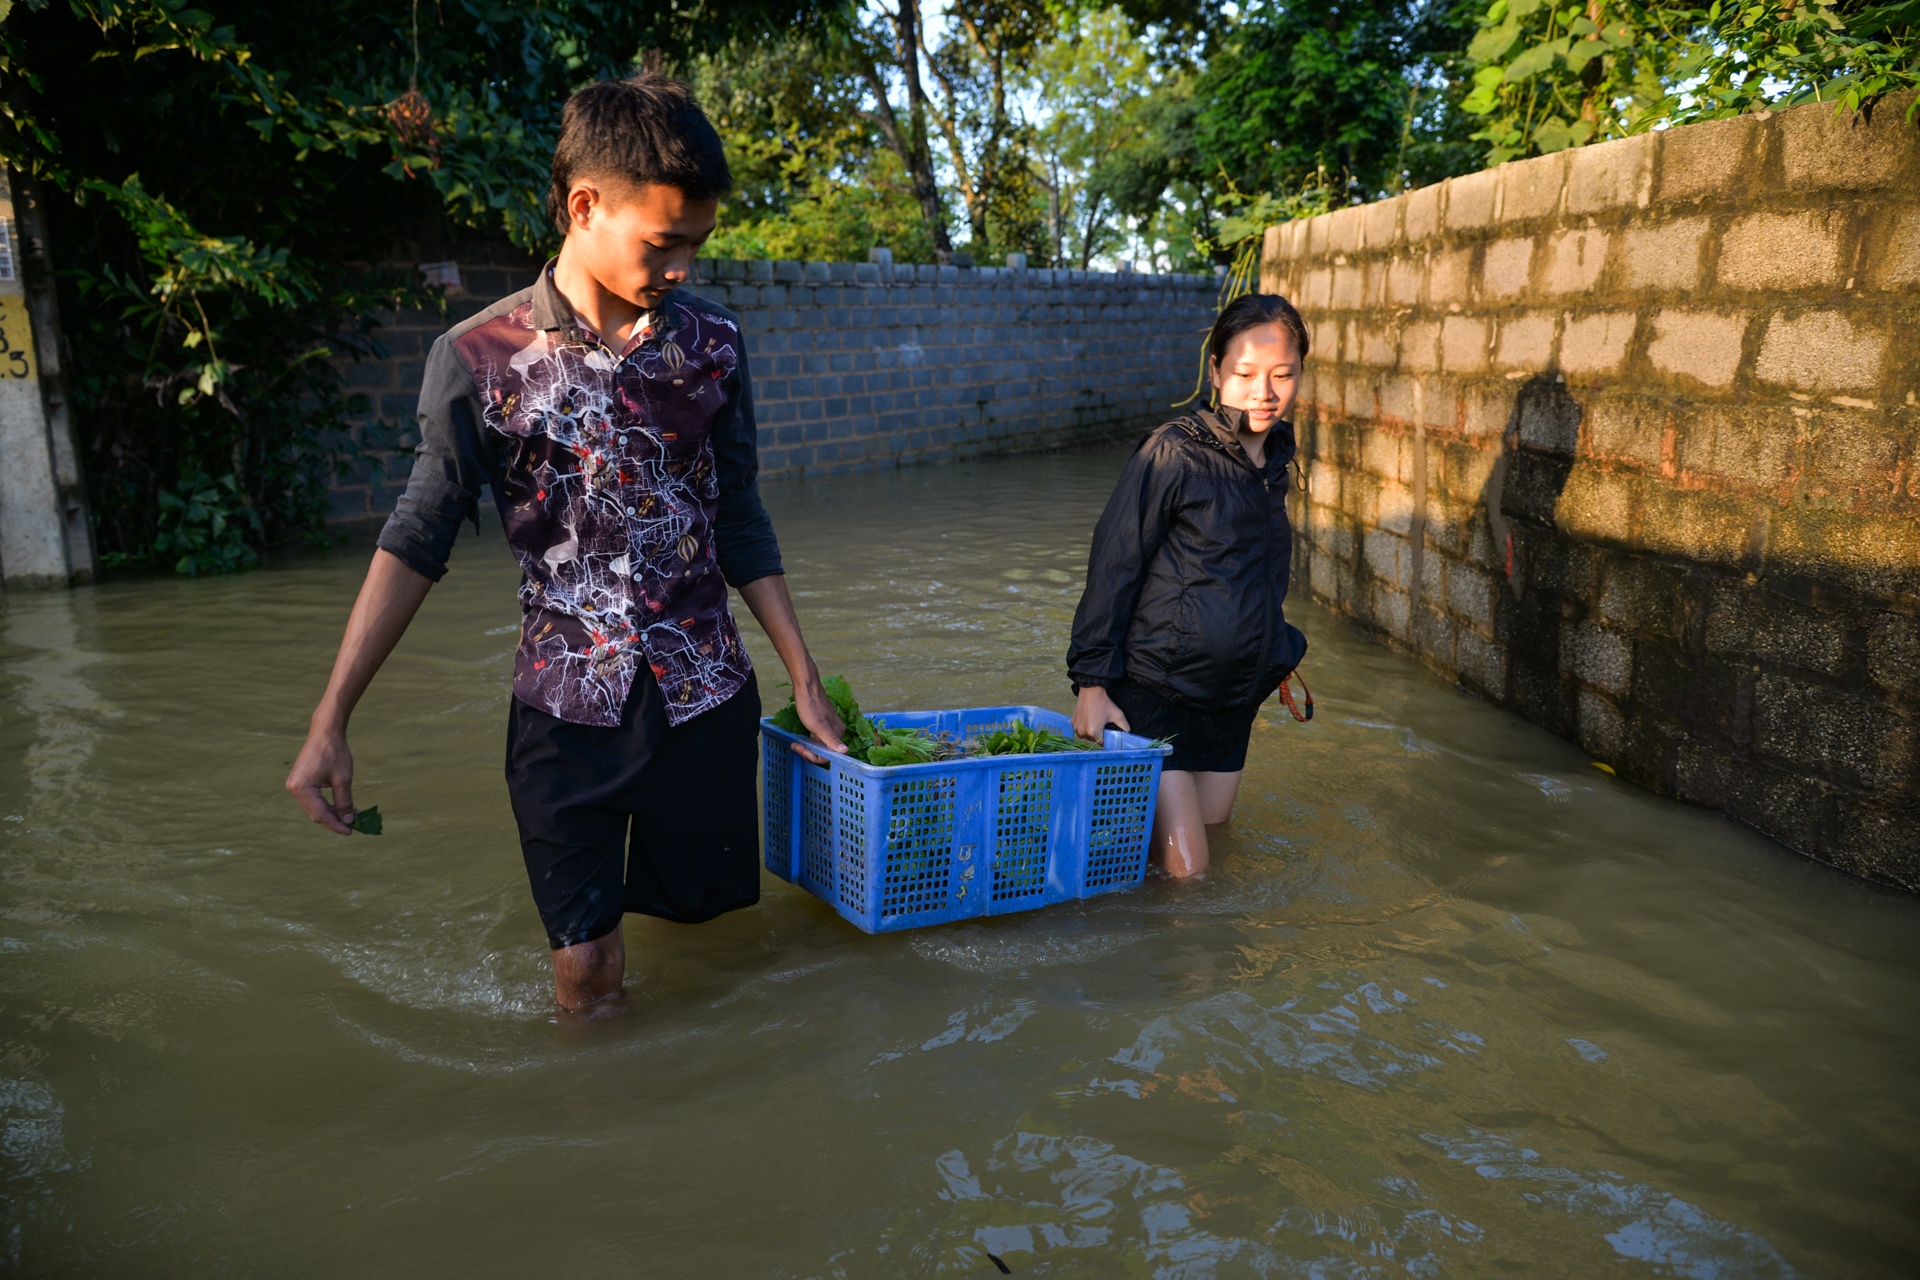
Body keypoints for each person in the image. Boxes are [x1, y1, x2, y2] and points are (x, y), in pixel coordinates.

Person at [285, 73, 846, 1014]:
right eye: (664, 243)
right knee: (585, 976)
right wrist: (330, 718)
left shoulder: (712, 344)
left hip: (703, 695)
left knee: (711, 955)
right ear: (585, 206)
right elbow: (418, 535)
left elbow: (739, 514)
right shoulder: (479, 357)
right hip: (562, 709)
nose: (682, 270)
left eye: (696, 247)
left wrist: (807, 678)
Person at [1066, 293, 1311, 880]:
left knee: (1211, 848)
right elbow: (1114, 562)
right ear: (1216, 372)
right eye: (1246, 374)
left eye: (1284, 375)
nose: (1265, 392)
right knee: (1188, 876)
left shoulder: (1276, 464)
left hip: (1230, 701)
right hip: (1156, 691)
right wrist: (1092, 682)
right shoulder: (1172, 452)